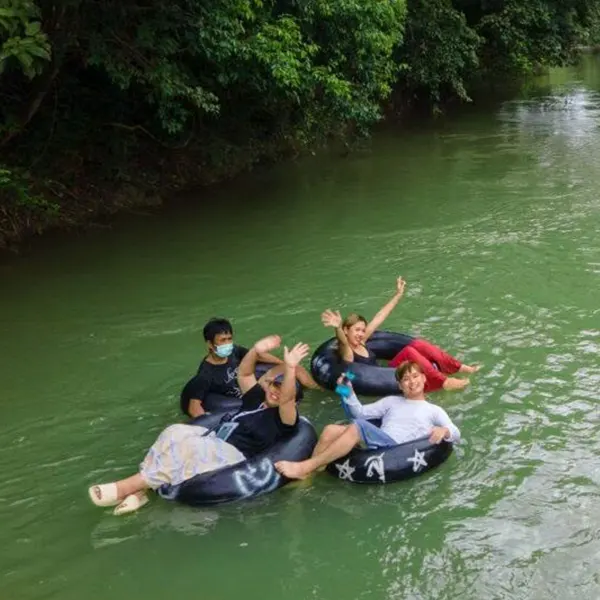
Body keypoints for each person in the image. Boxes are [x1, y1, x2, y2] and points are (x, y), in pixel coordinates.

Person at [89, 335, 309, 515]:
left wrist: (289, 368)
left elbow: (287, 398)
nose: (275, 391)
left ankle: (124, 488)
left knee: (190, 449)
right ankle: (141, 491)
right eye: (274, 386)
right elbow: (244, 373)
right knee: (174, 432)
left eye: (281, 389)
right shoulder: (257, 399)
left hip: (234, 453)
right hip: (216, 437)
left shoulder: (286, 419)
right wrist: (255, 349)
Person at [275, 361, 461, 480]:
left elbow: (455, 430)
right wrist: (345, 390)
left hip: (397, 448)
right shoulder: (392, 401)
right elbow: (359, 413)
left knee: (358, 428)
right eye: (405, 379)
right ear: (399, 385)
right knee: (331, 429)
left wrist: (444, 431)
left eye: (415, 376)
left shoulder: (433, 410)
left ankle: (305, 467)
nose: (411, 382)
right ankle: (312, 475)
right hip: (382, 439)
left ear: (423, 378)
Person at [321, 276, 479, 392]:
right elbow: (342, 341)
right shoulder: (348, 352)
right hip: (380, 378)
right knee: (409, 352)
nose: (361, 334)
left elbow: (379, 317)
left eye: (363, 330)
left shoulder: (362, 341)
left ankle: (460, 367)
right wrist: (338, 327)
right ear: (347, 330)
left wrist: (398, 294)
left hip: (388, 370)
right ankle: (443, 382)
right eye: (357, 330)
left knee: (418, 344)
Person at [181, 318, 319, 417]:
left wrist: (284, 363)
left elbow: (258, 356)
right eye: (222, 340)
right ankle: (302, 413)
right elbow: (194, 408)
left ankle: (320, 391)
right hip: (244, 399)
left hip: (252, 384)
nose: (228, 343)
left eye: (229, 338)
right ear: (210, 344)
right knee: (281, 400)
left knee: (296, 369)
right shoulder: (205, 374)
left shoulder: (233, 351)